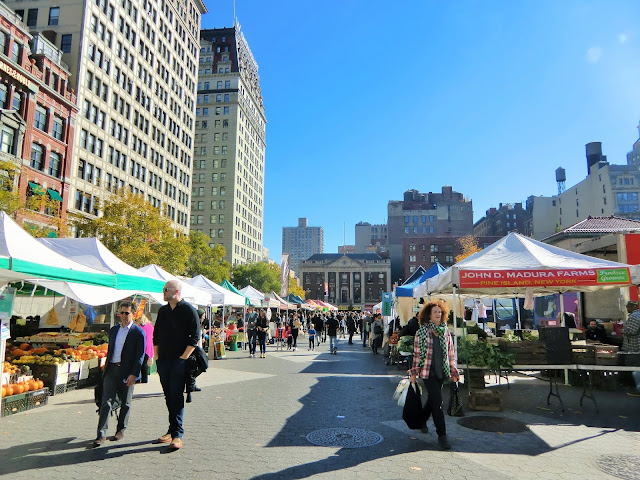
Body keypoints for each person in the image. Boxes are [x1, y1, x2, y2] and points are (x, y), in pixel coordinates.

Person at [153, 280, 200, 450]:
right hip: (163, 360)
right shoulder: (163, 311)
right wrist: (157, 357)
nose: (163, 293)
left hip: (179, 361)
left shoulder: (188, 310)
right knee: (168, 396)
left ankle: (177, 435)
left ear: (176, 291)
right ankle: (171, 430)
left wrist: (183, 359)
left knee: (176, 396)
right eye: (163, 290)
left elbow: (195, 337)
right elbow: (156, 334)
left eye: (166, 290)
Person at [408, 300, 459, 451]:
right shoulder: (422, 332)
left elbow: (451, 353)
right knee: (437, 402)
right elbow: (417, 355)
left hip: (442, 371)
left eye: (440, 312)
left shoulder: (445, 331)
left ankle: (422, 420)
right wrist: (414, 373)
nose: (438, 314)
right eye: (435, 312)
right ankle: (442, 436)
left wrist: (454, 371)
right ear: (429, 315)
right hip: (427, 372)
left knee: (432, 399)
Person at [94, 301, 145, 447]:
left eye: (126, 313)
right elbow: (111, 350)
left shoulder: (138, 332)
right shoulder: (114, 330)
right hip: (111, 369)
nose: (123, 316)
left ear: (133, 314)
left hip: (127, 372)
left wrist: (134, 374)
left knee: (126, 403)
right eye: (121, 313)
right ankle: (101, 433)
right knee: (106, 401)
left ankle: (120, 430)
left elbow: (139, 356)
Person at [623, 301, 640, 393]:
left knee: (634, 367)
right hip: (637, 345)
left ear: (633, 307)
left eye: (628, 306)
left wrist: (623, 330)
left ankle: (637, 387)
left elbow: (631, 331)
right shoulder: (638, 314)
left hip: (634, 346)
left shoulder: (634, 317)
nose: (627, 308)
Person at [135, 314, 154, 384]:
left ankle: (137, 378)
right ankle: (145, 379)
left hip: (141, 346)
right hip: (149, 346)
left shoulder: (139, 327)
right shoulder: (151, 326)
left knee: (139, 362)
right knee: (144, 363)